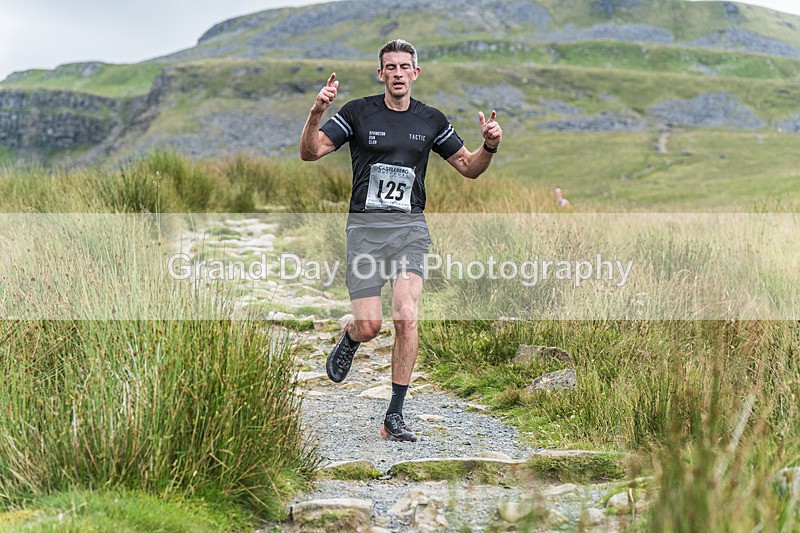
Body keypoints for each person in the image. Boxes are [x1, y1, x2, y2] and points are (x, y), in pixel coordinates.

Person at [299, 39, 502, 442]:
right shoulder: (358, 112)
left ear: (415, 73)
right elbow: (311, 152)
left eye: (404, 66)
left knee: (406, 315)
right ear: (380, 73)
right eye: (389, 66)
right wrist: (315, 113)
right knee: (371, 325)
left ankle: (394, 416)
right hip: (365, 232)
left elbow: (468, 167)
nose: (396, 73)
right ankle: (352, 334)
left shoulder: (430, 119)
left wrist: (490, 146)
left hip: (410, 230)